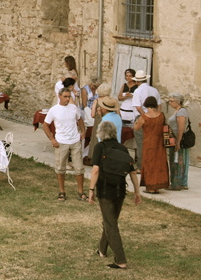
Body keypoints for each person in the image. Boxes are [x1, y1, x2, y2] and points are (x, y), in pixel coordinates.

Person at [88, 121, 141, 270]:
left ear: (100, 133)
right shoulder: (122, 148)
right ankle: (102, 250)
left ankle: (121, 260)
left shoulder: (100, 147)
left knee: (111, 224)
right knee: (110, 221)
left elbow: (95, 170)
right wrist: (137, 192)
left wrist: (91, 190)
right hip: (120, 191)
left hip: (105, 191)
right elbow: (132, 173)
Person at [43, 87, 87, 201]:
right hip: (61, 142)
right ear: (59, 96)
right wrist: (52, 139)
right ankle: (62, 191)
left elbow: (80, 119)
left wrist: (83, 131)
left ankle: (81, 192)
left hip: (75, 141)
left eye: (69, 96)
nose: (67, 99)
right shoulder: (54, 110)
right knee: (60, 168)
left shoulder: (74, 108)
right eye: (65, 97)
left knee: (79, 168)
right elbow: (45, 125)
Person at [133, 96, 169, 193]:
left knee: (149, 163)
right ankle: (157, 185)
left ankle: (150, 187)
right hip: (159, 142)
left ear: (145, 104)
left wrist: (136, 121)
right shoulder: (161, 115)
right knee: (159, 163)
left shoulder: (144, 117)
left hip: (148, 142)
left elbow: (136, 128)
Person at [130, 70, 160, 170]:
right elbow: (159, 105)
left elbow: (138, 107)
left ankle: (141, 166)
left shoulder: (137, 91)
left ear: (137, 81)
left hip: (142, 118)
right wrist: (156, 116)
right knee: (153, 142)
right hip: (154, 117)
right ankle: (152, 165)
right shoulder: (154, 90)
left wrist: (145, 117)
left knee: (141, 143)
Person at [167, 93, 190, 191]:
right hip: (174, 139)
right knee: (175, 160)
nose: (170, 103)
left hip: (178, 140)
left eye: (172, 101)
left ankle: (177, 183)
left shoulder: (181, 112)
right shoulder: (177, 111)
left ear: (178, 101)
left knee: (178, 161)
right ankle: (180, 183)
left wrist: (178, 142)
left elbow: (181, 128)